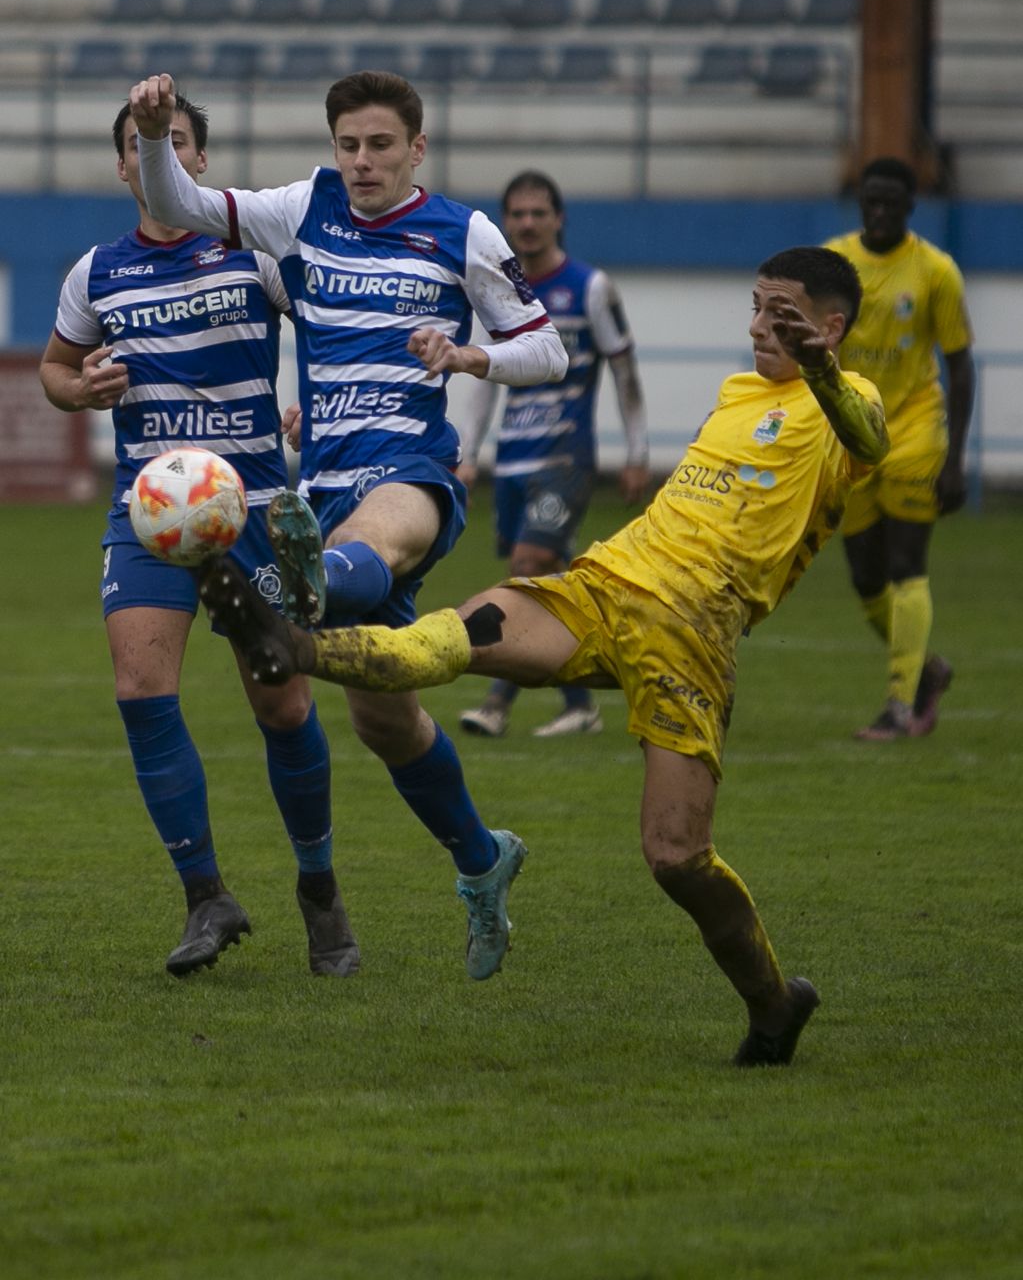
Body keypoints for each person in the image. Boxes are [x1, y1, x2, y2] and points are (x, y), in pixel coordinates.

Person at [197, 246, 889, 1066]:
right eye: (753, 306)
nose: (756, 326)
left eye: (779, 314)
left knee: (675, 858)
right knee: (447, 638)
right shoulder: (739, 392)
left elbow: (868, 436)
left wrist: (824, 372)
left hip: (691, 633)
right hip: (602, 583)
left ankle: (773, 1004)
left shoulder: (847, 403)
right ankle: (291, 643)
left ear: (829, 325)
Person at [128, 69, 568, 981]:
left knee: (356, 553)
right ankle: (483, 862)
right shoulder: (301, 210)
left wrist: (468, 354)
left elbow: (548, 346)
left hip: (411, 472)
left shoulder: (463, 231)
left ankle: (300, 582)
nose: (361, 162)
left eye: (378, 145)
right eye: (347, 145)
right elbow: (184, 201)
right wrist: (157, 131)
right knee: (383, 716)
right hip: (321, 484)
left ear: (417, 147)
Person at [39, 93, 359, 980]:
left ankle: (319, 889)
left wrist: (316, 411)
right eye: (141, 145)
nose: (157, 154)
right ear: (122, 167)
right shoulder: (94, 273)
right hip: (149, 515)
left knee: (282, 704)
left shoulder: (248, 254)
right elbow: (56, 370)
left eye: (173, 142)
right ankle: (205, 895)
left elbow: (329, 334)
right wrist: (80, 389)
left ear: (199, 162)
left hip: (252, 509)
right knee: (141, 688)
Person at [456, 169, 649, 740]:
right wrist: (469, 453)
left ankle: (496, 705)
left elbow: (624, 372)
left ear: (559, 219)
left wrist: (637, 453)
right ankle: (582, 703)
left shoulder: (590, 287)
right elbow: (488, 373)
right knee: (550, 582)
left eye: (539, 213)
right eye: (517, 214)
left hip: (566, 460)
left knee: (526, 567)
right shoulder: (503, 293)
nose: (528, 223)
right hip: (514, 461)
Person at [828, 158, 975, 741]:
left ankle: (899, 704)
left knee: (905, 564)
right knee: (865, 575)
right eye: (873, 201)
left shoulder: (936, 271)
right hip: (853, 429)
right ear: (860, 202)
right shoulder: (834, 264)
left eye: (893, 202)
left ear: (911, 208)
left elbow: (960, 366)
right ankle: (928, 668)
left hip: (915, 428)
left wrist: (956, 458)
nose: (882, 211)